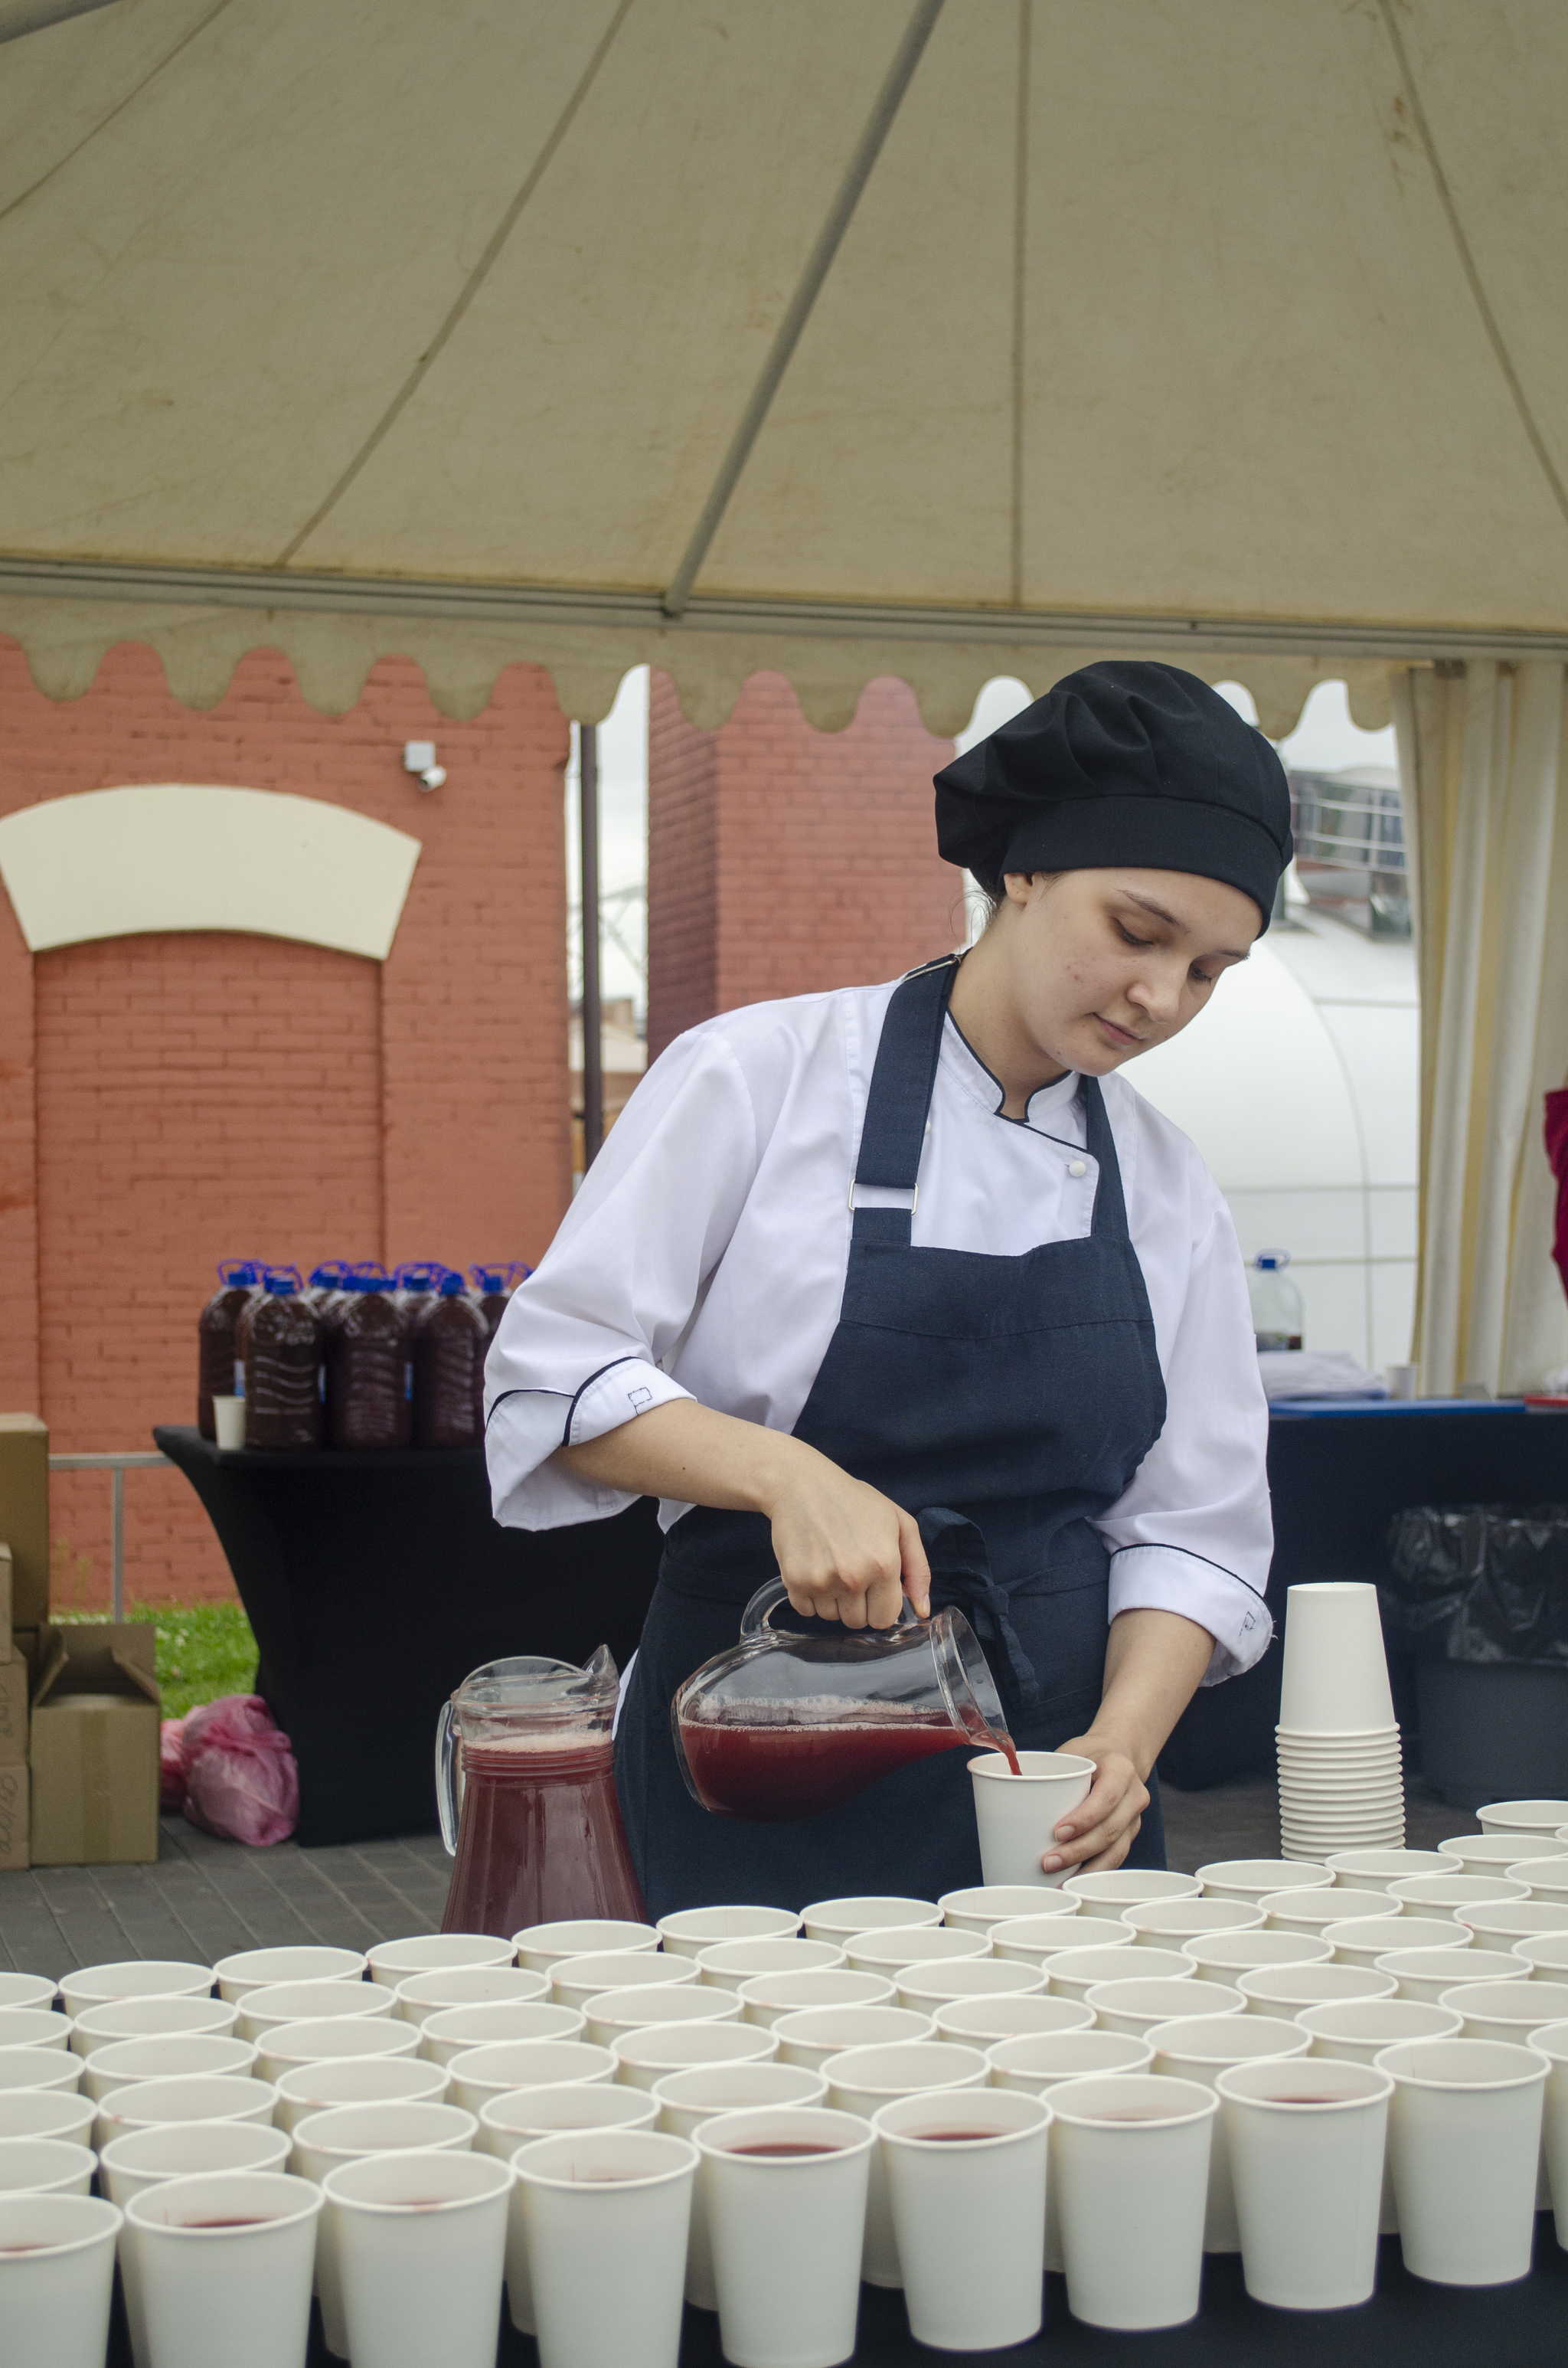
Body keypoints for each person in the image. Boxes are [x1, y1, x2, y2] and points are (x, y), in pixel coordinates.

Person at [486, 662, 1289, 1916]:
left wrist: (1124, 1748)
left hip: (1054, 1790)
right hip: (755, 1755)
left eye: (1209, 971)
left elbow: (1195, 1529)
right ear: (1021, 868)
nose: (1161, 997)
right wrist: (786, 1475)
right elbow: (552, 1370)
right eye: (1138, 933)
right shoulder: (759, 1079)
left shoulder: (1170, 1185)